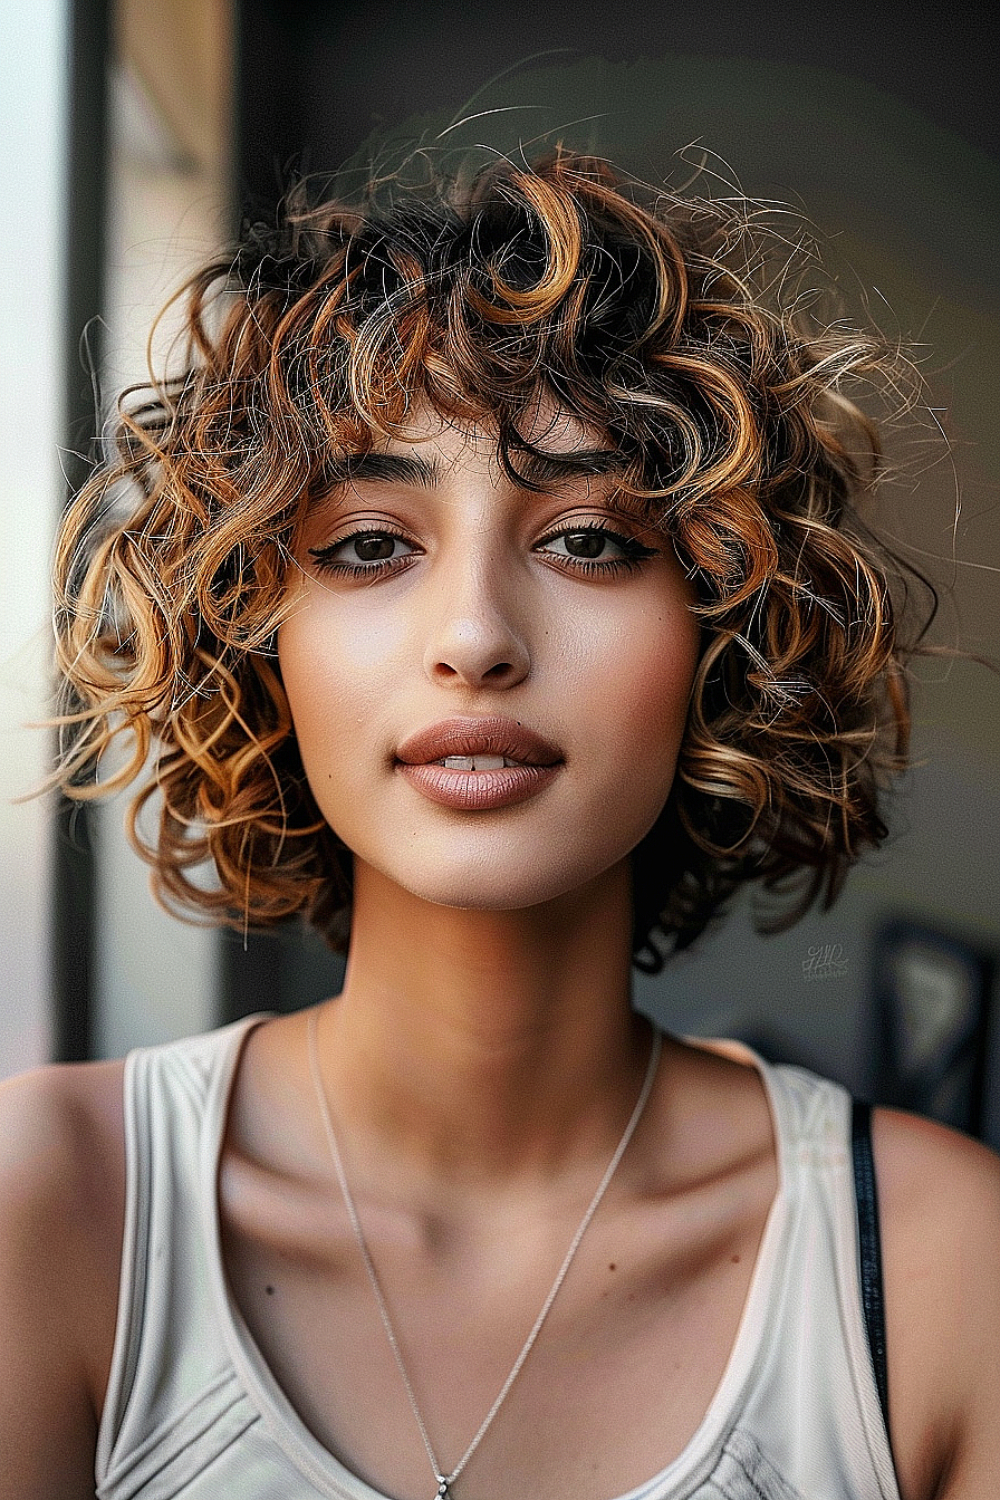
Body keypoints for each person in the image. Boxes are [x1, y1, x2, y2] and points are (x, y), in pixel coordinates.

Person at [1, 149, 997, 1500]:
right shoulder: (52, 1207)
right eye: (367, 544)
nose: (474, 638)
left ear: (724, 628)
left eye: (590, 540)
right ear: (255, 635)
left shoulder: (944, 1267)